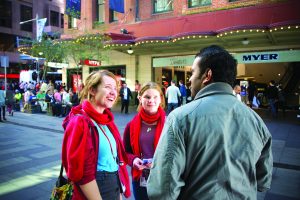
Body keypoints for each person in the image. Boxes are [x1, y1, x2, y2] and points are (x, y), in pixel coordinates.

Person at [147, 45, 273, 200]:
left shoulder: (180, 118)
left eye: (193, 72)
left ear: (207, 75)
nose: (190, 79)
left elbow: (163, 189)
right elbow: (263, 181)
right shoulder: (256, 121)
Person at [62, 70, 130, 200]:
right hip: (96, 190)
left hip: (113, 185)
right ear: (92, 90)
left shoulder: (107, 121)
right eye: (108, 87)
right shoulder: (80, 122)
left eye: (115, 88)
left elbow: (115, 160)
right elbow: (81, 173)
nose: (113, 92)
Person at [123, 82, 166, 200]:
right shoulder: (131, 125)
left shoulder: (170, 124)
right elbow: (125, 152)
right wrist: (133, 160)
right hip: (140, 180)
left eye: (155, 97)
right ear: (140, 98)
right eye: (147, 97)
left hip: (164, 179)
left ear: (161, 99)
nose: (151, 100)